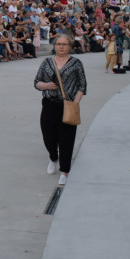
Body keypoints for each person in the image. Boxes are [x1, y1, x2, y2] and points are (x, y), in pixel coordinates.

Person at [33, 32, 87, 186]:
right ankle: (53, 157)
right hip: (49, 104)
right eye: (58, 44)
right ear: (54, 46)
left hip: (68, 105)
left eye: (64, 44)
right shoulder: (47, 62)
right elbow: (37, 82)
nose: (61, 47)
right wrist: (45, 85)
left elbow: (82, 85)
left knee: (66, 139)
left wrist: (75, 104)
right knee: (48, 136)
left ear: (70, 46)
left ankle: (64, 171)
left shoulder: (76, 63)